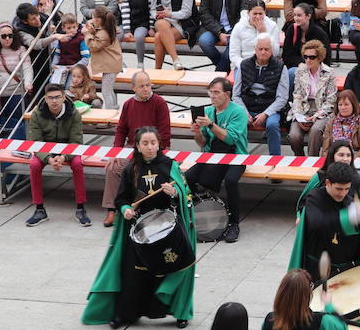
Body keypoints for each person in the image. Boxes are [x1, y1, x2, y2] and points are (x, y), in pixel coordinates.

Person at [85, 126, 195, 329]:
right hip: (139, 229)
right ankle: (125, 314)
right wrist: (126, 209)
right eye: (145, 143)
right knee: (133, 275)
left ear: (159, 143)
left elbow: (186, 194)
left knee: (171, 269)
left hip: (166, 230)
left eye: (153, 142)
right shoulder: (130, 169)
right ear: (137, 145)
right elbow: (121, 199)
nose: (150, 147)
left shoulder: (170, 166)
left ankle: (178, 312)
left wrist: (174, 192)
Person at [100, 71, 170, 226]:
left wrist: (155, 149)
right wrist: (115, 152)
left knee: (139, 168)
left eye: (148, 85)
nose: (146, 89)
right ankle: (112, 209)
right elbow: (121, 130)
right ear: (133, 88)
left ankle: (137, 206)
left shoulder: (159, 103)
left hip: (152, 146)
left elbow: (164, 133)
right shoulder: (128, 104)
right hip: (132, 147)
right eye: (141, 86)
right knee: (112, 167)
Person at [289, 162, 360, 278]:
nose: (343, 193)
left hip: (345, 270)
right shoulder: (314, 198)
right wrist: (345, 218)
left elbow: (354, 240)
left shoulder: (349, 203)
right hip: (316, 269)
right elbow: (316, 224)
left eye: (347, 189)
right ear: (328, 183)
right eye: (339, 189)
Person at [185, 77, 248, 243]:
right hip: (212, 154)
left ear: (227, 94)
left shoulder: (238, 112)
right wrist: (197, 132)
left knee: (231, 180)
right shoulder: (209, 112)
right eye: (210, 92)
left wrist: (211, 125)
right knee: (188, 177)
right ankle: (190, 216)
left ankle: (234, 223)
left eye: (216, 92)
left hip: (236, 156)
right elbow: (203, 143)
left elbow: (231, 139)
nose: (212, 96)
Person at [25, 82, 90, 226]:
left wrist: (64, 157)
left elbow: (77, 141)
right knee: (34, 165)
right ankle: (39, 208)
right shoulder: (37, 114)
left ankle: (80, 207)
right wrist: (48, 159)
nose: (54, 101)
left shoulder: (74, 114)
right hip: (45, 149)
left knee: (78, 164)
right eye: (50, 98)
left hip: (68, 148)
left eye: (57, 97)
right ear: (45, 99)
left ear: (64, 97)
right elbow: (36, 142)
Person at [233, 36, 290, 155]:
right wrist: (244, 112)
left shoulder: (281, 67)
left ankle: (275, 160)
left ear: (272, 50)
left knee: (272, 125)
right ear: (255, 49)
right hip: (247, 107)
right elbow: (236, 95)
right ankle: (238, 157)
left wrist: (265, 114)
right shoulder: (244, 65)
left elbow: (282, 98)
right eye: (260, 49)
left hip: (269, 109)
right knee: (236, 123)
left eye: (267, 49)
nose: (263, 52)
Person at [195, 0, 248, 73]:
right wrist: (219, 32)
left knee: (232, 47)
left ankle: (220, 73)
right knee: (204, 42)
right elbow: (204, 13)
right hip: (213, 28)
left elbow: (244, 10)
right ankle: (224, 69)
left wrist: (235, 30)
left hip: (234, 27)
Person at [288, 39, 337, 155]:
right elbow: (297, 96)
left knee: (315, 130)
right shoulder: (300, 72)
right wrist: (299, 116)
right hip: (303, 108)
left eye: (312, 57)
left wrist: (316, 116)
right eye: (305, 57)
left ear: (319, 57)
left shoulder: (329, 73)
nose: (308, 60)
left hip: (322, 109)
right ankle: (300, 159)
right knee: (294, 136)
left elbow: (331, 100)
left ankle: (312, 160)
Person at [150, 0, 195, 69]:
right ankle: (176, 60)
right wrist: (157, 15)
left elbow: (187, 12)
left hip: (181, 23)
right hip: (162, 22)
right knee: (161, 23)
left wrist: (169, 14)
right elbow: (151, 9)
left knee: (158, 36)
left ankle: (157, 71)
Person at [319, 90, 360, 158]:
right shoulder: (331, 122)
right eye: (340, 104)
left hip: (357, 158)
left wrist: (348, 159)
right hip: (335, 159)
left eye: (346, 104)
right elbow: (325, 149)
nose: (343, 108)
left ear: (353, 105)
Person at [119, 0, 153, 68]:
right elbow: (125, 12)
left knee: (139, 37)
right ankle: (119, 62)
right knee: (116, 35)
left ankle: (140, 63)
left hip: (142, 23)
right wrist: (126, 30)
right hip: (128, 22)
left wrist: (151, 27)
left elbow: (152, 10)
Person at [279, 1, 327, 71]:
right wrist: (300, 64)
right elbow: (286, 55)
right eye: (294, 15)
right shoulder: (291, 29)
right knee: (292, 72)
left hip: (315, 68)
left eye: (299, 15)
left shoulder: (319, 33)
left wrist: (308, 66)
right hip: (296, 66)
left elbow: (324, 56)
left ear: (308, 16)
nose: (296, 18)